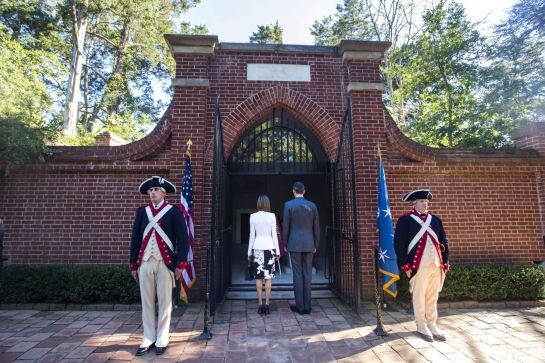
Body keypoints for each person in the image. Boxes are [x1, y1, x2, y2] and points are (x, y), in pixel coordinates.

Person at [130, 176, 189, 356]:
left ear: (164, 193)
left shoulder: (174, 212)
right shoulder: (142, 212)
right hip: (146, 262)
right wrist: (133, 264)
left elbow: (183, 238)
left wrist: (181, 264)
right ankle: (148, 337)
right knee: (146, 302)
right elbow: (135, 239)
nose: (152, 193)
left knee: (165, 302)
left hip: (166, 263)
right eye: (150, 190)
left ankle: (162, 337)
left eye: (156, 190)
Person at [393, 189, 449, 342]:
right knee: (419, 296)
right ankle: (421, 325)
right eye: (422, 202)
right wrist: (405, 265)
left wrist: (445, 261)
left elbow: (444, 241)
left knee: (432, 296)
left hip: (436, 265)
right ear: (414, 203)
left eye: (426, 202)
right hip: (419, 266)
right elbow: (399, 244)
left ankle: (432, 324)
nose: (425, 204)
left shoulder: (435, 220)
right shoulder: (405, 220)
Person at [282, 182, 320, 315]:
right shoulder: (312, 205)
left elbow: (285, 227)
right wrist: (316, 244)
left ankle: (300, 306)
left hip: (294, 244)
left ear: (294, 191)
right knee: (307, 274)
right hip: (309, 243)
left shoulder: (288, 205)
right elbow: (316, 227)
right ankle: (307, 306)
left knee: (297, 274)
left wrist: (285, 244)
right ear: (304, 191)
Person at [248, 195, 280, 314]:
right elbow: (274, 235)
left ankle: (260, 304)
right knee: (268, 277)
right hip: (269, 248)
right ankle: (267, 304)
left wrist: (249, 251)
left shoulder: (253, 216)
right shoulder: (272, 216)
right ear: (267, 204)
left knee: (258, 277)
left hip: (257, 248)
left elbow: (252, 235)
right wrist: (278, 251)